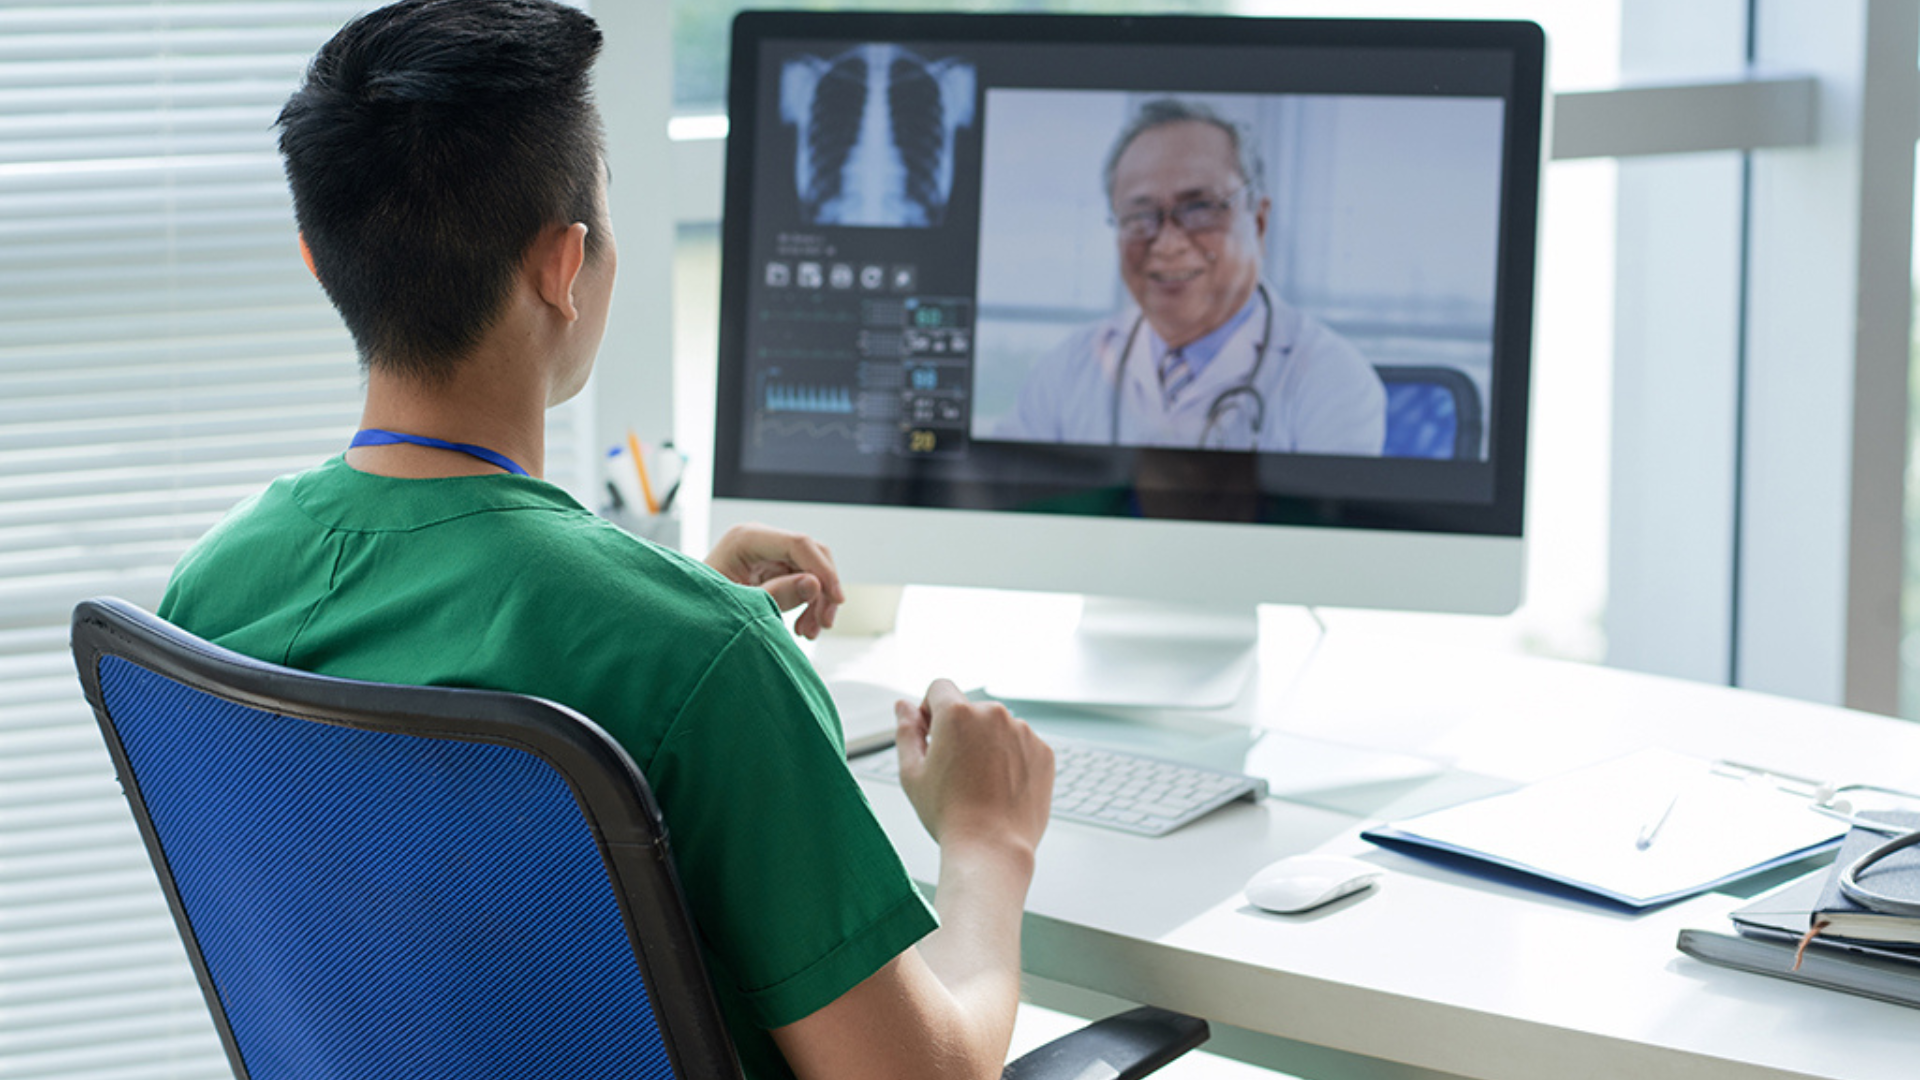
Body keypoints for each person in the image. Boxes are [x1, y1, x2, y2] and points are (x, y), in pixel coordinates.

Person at [154, 4, 1054, 1080]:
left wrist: (665, 614)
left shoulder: (211, 591)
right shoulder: (700, 658)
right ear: (565, 265)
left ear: (317, 257)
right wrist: (988, 843)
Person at [1000, 98, 1386, 454]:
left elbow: (1325, 528)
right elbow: (999, 506)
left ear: (1260, 222)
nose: (1168, 244)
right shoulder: (1068, 367)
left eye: (1201, 208)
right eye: (1139, 217)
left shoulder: (1332, 379)